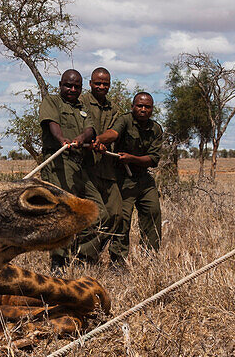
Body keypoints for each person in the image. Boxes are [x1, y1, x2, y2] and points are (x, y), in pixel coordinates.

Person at [95, 92, 164, 265]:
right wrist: (98, 140)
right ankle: (117, 261)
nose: (143, 109)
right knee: (122, 218)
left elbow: (153, 160)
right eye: (139, 106)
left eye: (147, 107)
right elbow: (113, 133)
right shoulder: (125, 120)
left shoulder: (156, 128)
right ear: (133, 107)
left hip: (144, 179)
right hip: (122, 178)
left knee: (153, 211)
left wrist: (132, 158)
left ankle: (151, 258)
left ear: (152, 109)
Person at [38, 69, 96, 270]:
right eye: (68, 85)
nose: (72, 89)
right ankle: (58, 261)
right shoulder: (52, 101)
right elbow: (52, 124)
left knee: (99, 211)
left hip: (80, 162)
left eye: (76, 86)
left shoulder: (83, 106)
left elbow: (89, 129)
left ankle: (82, 256)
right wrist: (61, 139)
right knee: (61, 211)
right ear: (60, 84)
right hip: (58, 162)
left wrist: (81, 139)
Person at [80, 67, 124, 264]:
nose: (101, 86)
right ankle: (82, 257)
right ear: (90, 83)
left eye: (105, 83)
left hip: (106, 167)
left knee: (116, 215)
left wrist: (101, 141)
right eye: (97, 83)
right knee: (97, 215)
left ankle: (89, 252)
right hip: (84, 168)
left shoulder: (114, 109)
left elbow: (114, 132)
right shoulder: (80, 102)